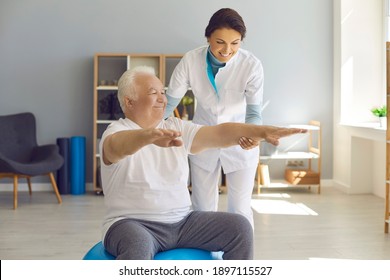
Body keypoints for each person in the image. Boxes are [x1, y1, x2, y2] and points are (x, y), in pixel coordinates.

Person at [99, 66, 306, 260]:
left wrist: (261, 131)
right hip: (131, 223)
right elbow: (118, 146)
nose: (162, 98)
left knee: (240, 228)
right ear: (129, 102)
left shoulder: (176, 127)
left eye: (163, 92)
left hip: (183, 223)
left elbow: (219, 133)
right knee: (138, 244)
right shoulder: (116, 132)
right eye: (154, 93)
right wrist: (149, 137)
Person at [164, 8, 264, 228]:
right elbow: (169, 102)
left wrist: (254, 136)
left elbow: (254, 113)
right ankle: (206, 260)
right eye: (220, 42)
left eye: (235, 43)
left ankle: (240, 259)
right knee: (202, 207)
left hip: (240, 141)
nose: (227, 50)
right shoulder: (191, 60)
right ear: (208, 37)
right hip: (204, 137)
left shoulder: (251, 65)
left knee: (240, 209)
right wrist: (146, 131)